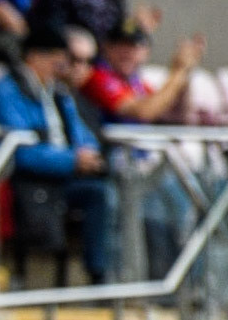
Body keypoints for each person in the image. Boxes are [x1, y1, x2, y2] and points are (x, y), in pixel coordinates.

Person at [0, 24, 112, 285]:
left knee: (102, 192)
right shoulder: (7, 92)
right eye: (56, 57)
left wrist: (88, 155)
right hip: (24, 179)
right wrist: (71, 160)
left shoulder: (58, 94)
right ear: (33, 56)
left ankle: (100, 275)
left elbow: (82, 135)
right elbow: (20, 152)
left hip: (62, 176)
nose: (62, 65)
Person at [83, 19, 206, 278]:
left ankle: (182, 287)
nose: (126, 52)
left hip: (146, 173)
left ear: (145, 51)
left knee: (190, 201)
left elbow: (176, 118)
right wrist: (178, 72)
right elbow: (145, 110)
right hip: (112, 170)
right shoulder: (98, 77)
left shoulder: (138, 83)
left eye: (134, 46)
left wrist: (185, 77)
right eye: (119, 45)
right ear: (106, 48)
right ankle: (146, 286)